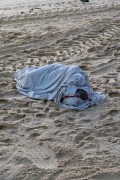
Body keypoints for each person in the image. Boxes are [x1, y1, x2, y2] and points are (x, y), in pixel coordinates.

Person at [13, 63, 106, 111]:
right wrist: (70, 82)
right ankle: (21, 73)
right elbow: (77, 73)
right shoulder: (84, 86)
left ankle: (21, 75)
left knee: (28, 80)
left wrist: (65, 88)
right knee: (31, 75)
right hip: (62, 71)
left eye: (65, 97)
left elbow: (58, 95)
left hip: (54, 79)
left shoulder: (62, 94)